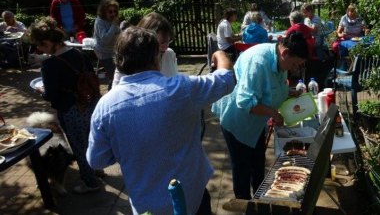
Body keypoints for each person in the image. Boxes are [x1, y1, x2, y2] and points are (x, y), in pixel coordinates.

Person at [86, 26, 236, 215]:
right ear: (156, 58)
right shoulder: (182, 88)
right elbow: (228, 79)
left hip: (146, 205)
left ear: (119, 61)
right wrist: (220, 54)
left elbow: (96, 160)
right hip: (192, 197)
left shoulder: (105, 107)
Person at [211, 32, 308, 200]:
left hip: (256, 124)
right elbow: (245, 101)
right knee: (242, 168)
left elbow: (273, 87)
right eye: (295, 64)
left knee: (257, 165)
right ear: (285, 53)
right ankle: (244, 204)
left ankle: (260, 202)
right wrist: (273, 113)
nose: (295, 69)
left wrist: (290, 93)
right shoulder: (258, 62)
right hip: (237, 121)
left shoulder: (280, 59)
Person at [29, 16, 101, 194]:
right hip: (90, 104)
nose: (39, 49)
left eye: (40, 45)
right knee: (92, 140)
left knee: (79, 147)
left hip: (71, 111)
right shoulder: (80, 54)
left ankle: (91, 182)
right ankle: (98, 168)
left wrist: (41, 91)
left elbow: (51, 95)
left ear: (47, 42)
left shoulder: (50, 65)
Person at [112, 12, 177, 87]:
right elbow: (116, 91)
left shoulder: (169, 54)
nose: (166, 46)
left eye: (168, 41)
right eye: (161, 43)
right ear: (144, 39)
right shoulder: (128, 61)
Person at [93, 0, 121, 90]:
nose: (113, 14)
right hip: (103, 53)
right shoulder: (99, 21)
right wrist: (113, 25)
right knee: (113, 76)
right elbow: (105, 39)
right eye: (110, 11)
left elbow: (118, 33)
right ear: (104, 11)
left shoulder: (113, 20)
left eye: (114, 11)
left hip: (113, 51)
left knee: (117, 74)